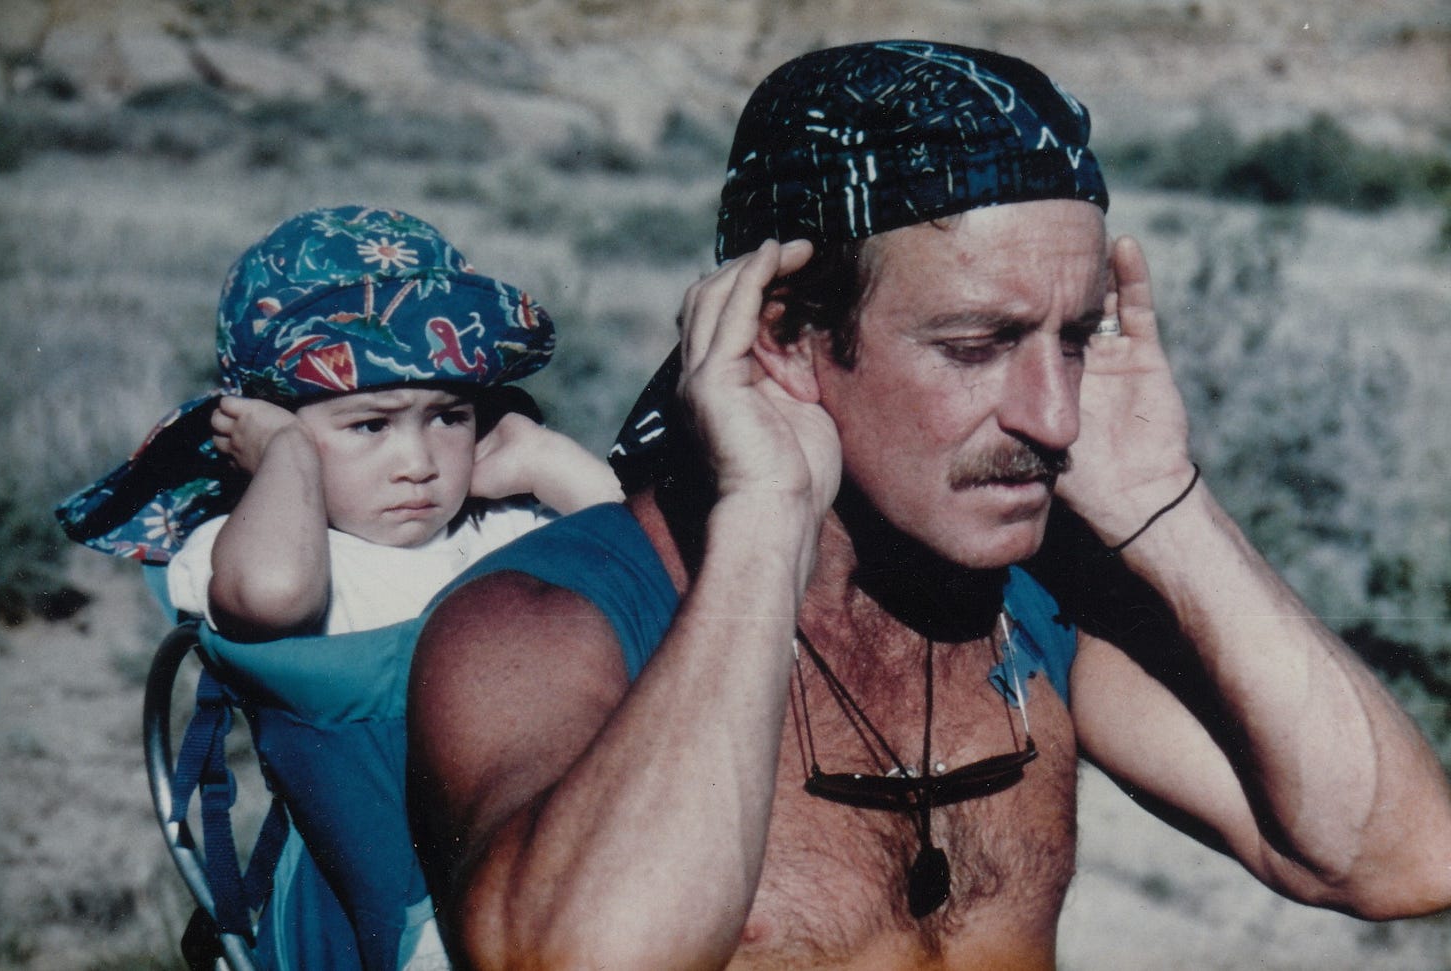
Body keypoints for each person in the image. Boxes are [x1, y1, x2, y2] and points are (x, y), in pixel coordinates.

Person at [407, 42, 1451, 969]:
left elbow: (1400, 858)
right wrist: (767, 520)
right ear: (785, 336)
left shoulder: (1030, 606)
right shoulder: (545, 623)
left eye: (1074, 338)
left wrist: (1163, 505)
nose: (1054, 414)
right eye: (976, 346)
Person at [59, 204, 622, 638]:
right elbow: (275, 595)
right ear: (263, 430)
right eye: (371, 426)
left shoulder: (505, 528)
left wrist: (541, 456)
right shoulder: (245, 544)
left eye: (448, 419)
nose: (418, 465)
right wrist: (287, 457)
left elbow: (651, 570)